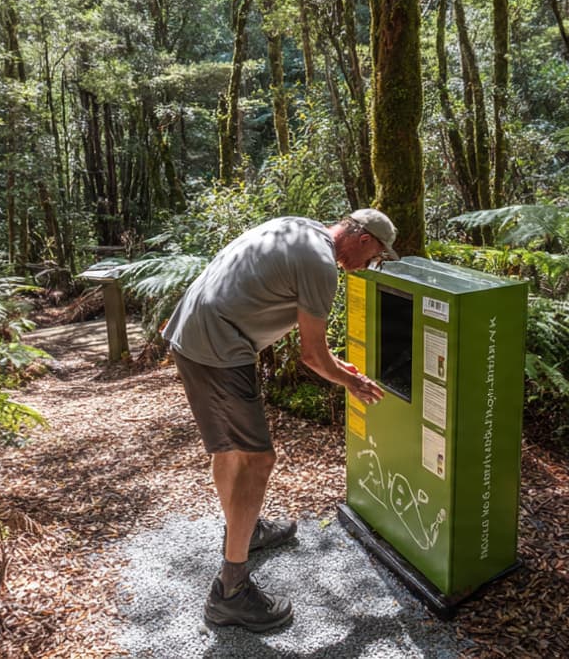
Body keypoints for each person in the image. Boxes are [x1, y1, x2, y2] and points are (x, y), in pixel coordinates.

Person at [162, 209, 398, 631]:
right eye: (375, 256)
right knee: (258, 459)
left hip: (191, 333)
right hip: (220, 347)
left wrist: (335, 365)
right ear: (363, 240)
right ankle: (231, 592)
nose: (368, 266)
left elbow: (273, 306)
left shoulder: (298, 228)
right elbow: (312, 356)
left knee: (228, 450)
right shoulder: (322, 264)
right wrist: (350, 382)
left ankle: (245, 532)